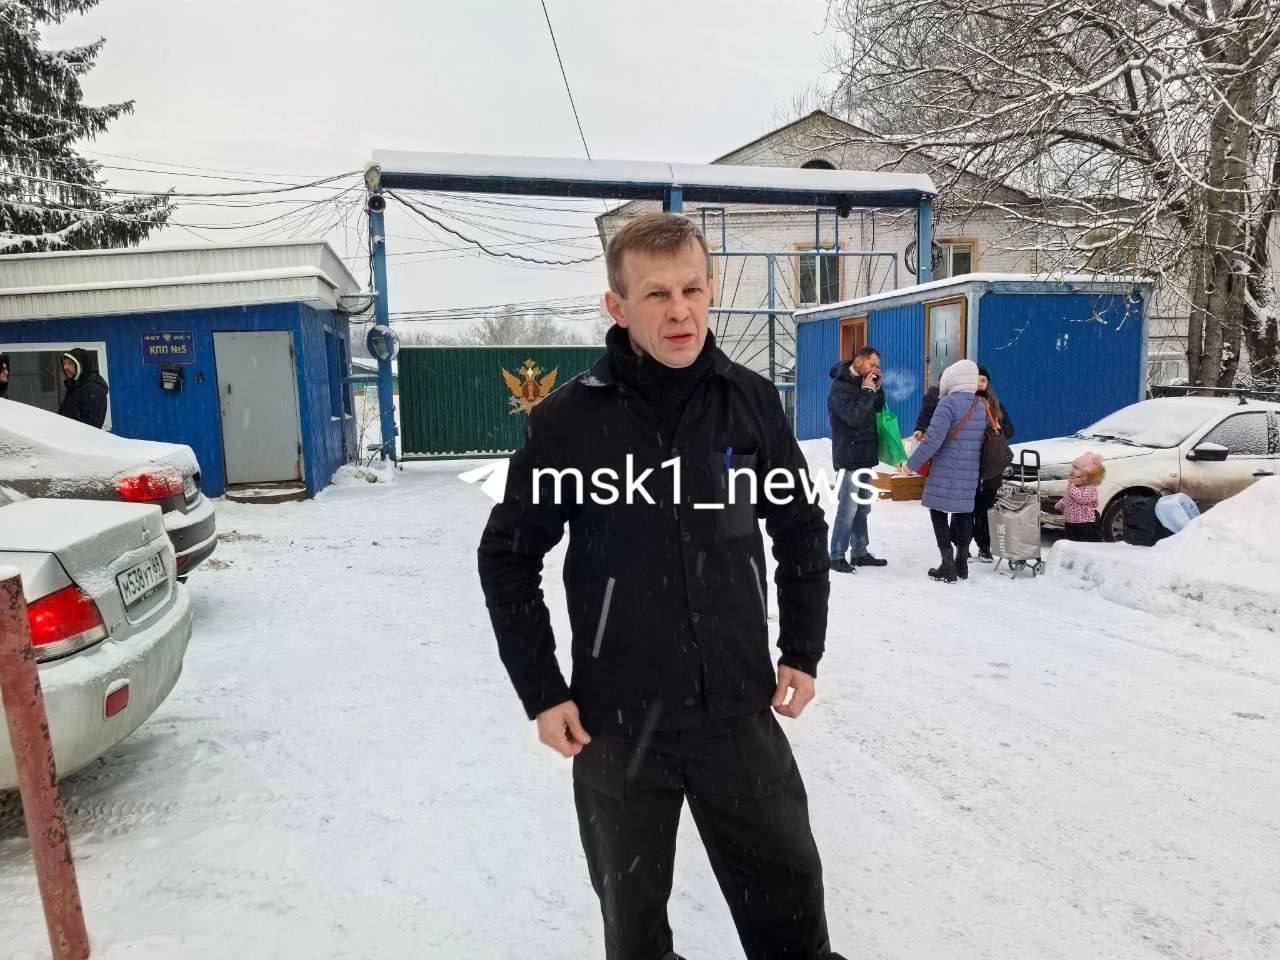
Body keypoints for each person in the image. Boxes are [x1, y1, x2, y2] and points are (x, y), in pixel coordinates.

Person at [478, 213, 845, 960]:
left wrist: (802, 650)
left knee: (792, 916)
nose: (680, 311)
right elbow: (508, 557)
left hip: (735, 710)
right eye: (656, 294)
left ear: (710, 290)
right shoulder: (568, 422)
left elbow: (802, 528)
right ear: (617, 306)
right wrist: (543, 691)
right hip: (617, 726)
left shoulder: (750, 403)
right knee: (635, 935)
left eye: (692, 290)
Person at [906, 359, 988, 583]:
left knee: (937, 510)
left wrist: (911, 465)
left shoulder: (947, 404)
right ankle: (962, 563)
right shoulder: (980, 405)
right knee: (963, 513)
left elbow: (933, 441)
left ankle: (947, 564)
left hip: (945, 468)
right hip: (970, 471)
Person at [827, 346, 888, 572]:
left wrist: (877, 389)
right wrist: (867, 392)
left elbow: (878, 408)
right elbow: (853, 417)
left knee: (863, 509)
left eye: (877, 366)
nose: (875, 369)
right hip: (848, 456)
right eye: (872, 364)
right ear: (859, 362)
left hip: (865, 455)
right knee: (848, 510)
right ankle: (836, 556)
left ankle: (860, 552)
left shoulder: (864, 384)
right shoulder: (839, 387)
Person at [971, 365, 1015, 562]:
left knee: (985, 506)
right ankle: (963, 546)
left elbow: (1011, 431)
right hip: (970, 461)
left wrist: (997, 426)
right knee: (967, 507)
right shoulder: (964, 402)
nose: (980, 384)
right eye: (976, 380)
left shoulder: (995, 404)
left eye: (983, 380)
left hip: (991, 462)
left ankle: (984, 546)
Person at [1054, 452, 1105, 541]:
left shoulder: (1090, 488)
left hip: (1085, 522)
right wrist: (1061, 503)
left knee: (1086, 542)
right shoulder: (1074, 487)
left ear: (1091, 478)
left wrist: (1072, 488)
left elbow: (1082, 499)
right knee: (1071, 541)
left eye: (1079, 477)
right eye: (1073, 477)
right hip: (1070, 521)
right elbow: (1068, 498)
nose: (1074, 480)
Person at [58, 348, 108, 428]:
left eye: (70, 363)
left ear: (81, 366)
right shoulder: (75, 387)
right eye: (64, 363)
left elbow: (91, 427)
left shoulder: (92, 389)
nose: (65, 367)